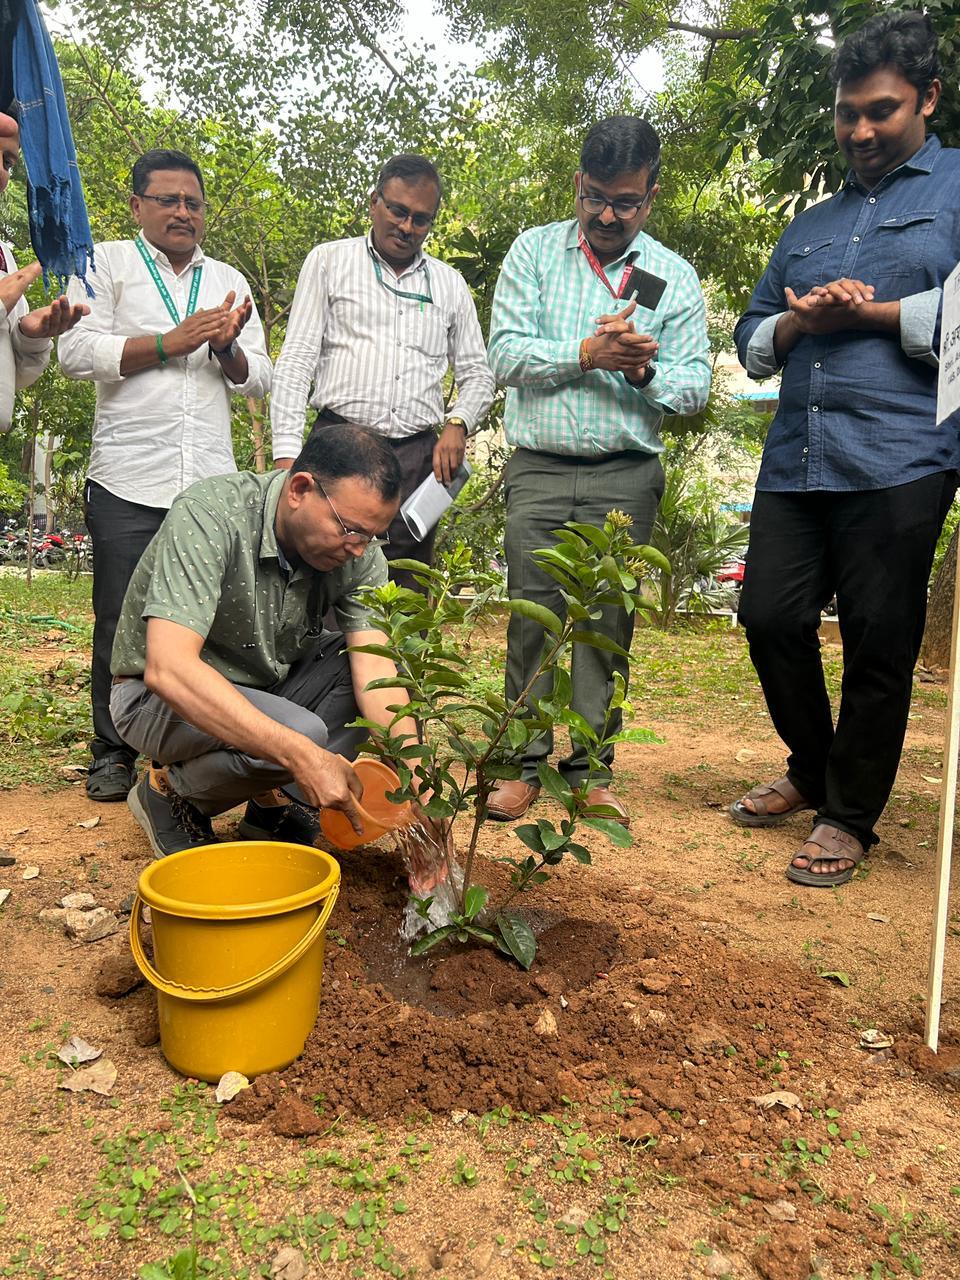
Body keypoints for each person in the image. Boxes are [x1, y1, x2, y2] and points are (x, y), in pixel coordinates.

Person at [730, 11, 960, 887]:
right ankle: (813, 766)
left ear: (927, 98)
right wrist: (800, 321)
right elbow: (753, 334)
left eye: (881, 111)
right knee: (769, 618)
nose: (860, 131)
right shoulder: (810, 224)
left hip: (905, 455)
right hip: (798, 454)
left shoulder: (956, 190)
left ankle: (848, 815)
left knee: (877, 641)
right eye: (847, 113)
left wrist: (872, 314)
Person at [486, 115, 711, 824]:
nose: (608, 216)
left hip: (626, 475)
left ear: (652, 195)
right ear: (578, 183)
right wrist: (587, 353)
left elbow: (695, 387)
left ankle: (589, 767)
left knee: (607, 624)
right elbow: (505, 356)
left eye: (626, 202)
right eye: (596, 198)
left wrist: (641, 370)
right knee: (531, 617)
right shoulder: (533, 252)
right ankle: (521, 762)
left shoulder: (673, 276)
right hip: (539, 468)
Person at [58, 148, 272, 804]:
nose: (183, 212)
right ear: (136, 205)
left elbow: (260, 377)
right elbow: (73, 351)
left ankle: (185, 744)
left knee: (204, 624)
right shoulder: (103, 264)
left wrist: (226, 348)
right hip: (128, 477)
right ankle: (111, 751)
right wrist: (167, 343)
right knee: (118, 617)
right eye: (168, 200)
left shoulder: (227, 278)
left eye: (193, 202)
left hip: (207, 488)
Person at [110, 424, 423, 862]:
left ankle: (271, 805)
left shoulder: (359, 554)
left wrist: (417, 785)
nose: (358, 549)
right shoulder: (210, 514)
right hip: (152, 698)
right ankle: (172, 794)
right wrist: (301, 755)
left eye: (371, 536)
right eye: (350, 530)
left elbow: (377, 673)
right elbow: (169, 669)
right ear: (300, 489)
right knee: (301, 736)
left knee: (368, 666)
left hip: (266, 686)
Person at [269, 153, 495, 590]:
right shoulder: (329, 262)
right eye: (397, 211)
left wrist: (458, 423)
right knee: (321, 576)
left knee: (404, 590)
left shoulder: (449, 284)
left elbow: (479, 375)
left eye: (421, 219)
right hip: (338, 448)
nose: (407, 226)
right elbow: (296, 361)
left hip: (415, 460)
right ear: (374, 202)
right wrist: (286, 456)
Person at [0, 105, 88, 432]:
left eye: (7, 162)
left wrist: (29, 336)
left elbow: (16, 377)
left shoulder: (3, 256)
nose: (1, 173)